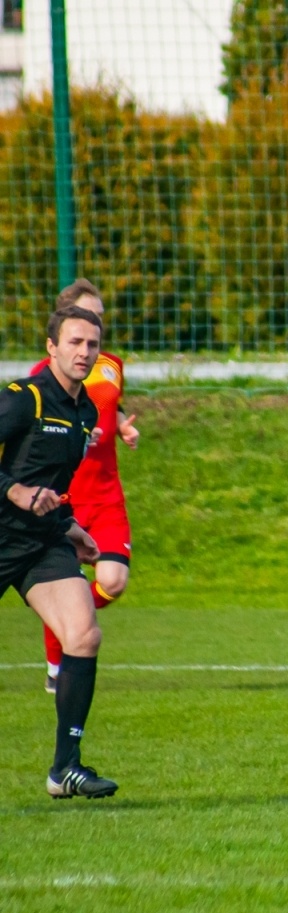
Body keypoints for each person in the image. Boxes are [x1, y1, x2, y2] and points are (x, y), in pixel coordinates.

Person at [1, 305, 117, 798]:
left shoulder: (84, 410)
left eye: (91, 344)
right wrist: (14, 492)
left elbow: (53, 483)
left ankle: (65, 768)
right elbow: (23, 482)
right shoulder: (23, 399)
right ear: (51, 347)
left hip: (41, 541)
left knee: (83, 633)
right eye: (74, 342)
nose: (83, 352)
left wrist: (70, 528)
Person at [32, 279, 139, 693]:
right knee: (69, 587)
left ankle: (62, 617)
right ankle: (60, 656)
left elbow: (110, 403)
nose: (94, 326)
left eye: (99, 317)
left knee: (112, 581)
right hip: (67, 498)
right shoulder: (44, 375)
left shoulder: (111, 364)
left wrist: (123, 426)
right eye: (85, 316)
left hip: (107, 496)